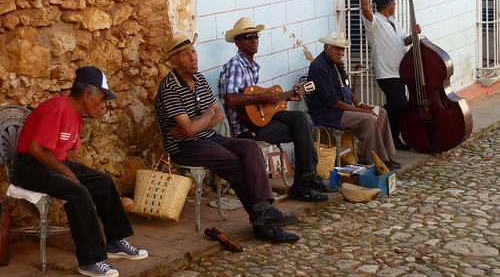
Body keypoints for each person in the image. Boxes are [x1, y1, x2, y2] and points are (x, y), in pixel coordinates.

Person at [155, 31, 300, 243]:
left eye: (193, 52)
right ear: (174, 62)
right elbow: (187, 131)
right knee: (236, 162)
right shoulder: (169, 88)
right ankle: (264, 224)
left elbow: (219, 114)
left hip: (208, 137)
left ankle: (262, 208)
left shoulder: (199, 79)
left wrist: (200, 122)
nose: (193, 57)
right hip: (185, 146)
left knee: (250, 148)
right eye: (186, 55)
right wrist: (206, 116)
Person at [13, 66, 148, 277]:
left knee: (102, 181)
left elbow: (71, 155)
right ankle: (90, 260)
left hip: (52, 163)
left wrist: (77, 172)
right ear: (87, 95)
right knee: (78, 192)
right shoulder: (56, 108)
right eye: (102, 99)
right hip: (30, 167)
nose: (104, 105)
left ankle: (115, 242)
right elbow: (36, 150)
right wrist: (68, 174)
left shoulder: (77, 115)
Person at [218, 17, 335, 202]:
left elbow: (256, 103)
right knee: (302, 128)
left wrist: (286, 97)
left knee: (301, 119)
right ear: (238, 42)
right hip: (246, 129)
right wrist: (262, 97)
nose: (254, 40)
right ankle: (304, 183)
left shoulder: (252, 66)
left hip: (260, 121)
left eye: (256, 36)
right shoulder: (235, 66)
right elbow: (231, 98)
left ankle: (307, 179)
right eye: (249, 37)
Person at [307, 31, 401, 170]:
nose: (341, 52)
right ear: (326, 47)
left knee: (381, 112)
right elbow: (333, 102)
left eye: (342, 49)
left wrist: (360, 104)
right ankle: (370, 160)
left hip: (343, 108)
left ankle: (384, 157)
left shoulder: (336, 63)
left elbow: (346, 88)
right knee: (368, 119)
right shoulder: (319, 67)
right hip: (329, 113)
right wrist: (361, 111)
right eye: (337, 48)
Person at [359, 0, 422, 150]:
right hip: (386, 73)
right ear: (387, 5)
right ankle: (375, 116)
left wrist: (414, 35)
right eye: (393, 2)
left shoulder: (395, 22)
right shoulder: (375, 22)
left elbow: (404, 41)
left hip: (399, 71)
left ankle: (393, 139)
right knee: (400, 104)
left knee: (400, 107)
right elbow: (365, 8)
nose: (395, 5)